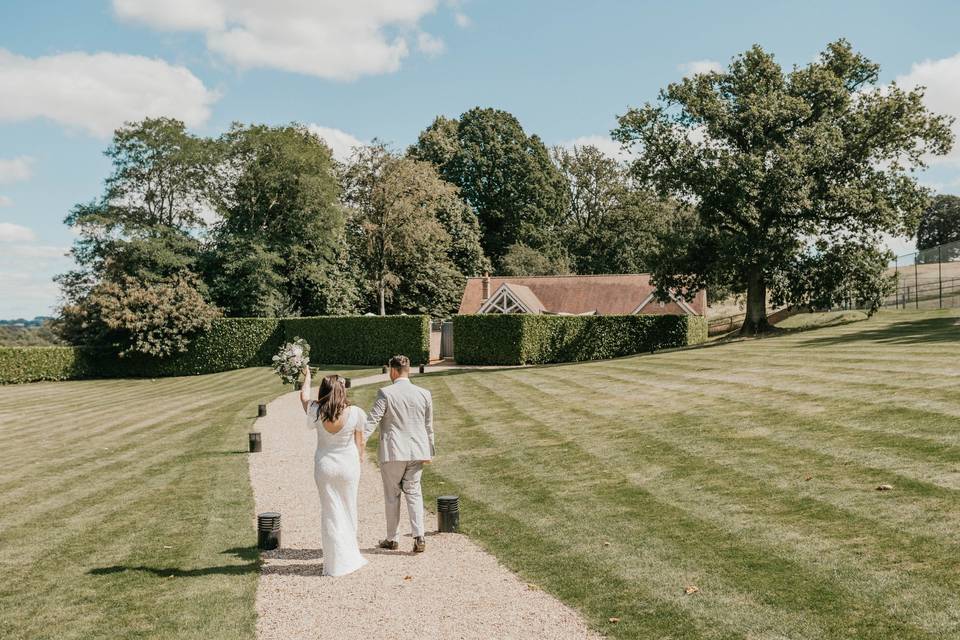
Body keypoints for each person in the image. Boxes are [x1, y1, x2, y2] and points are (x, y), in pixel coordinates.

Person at [300, 368, 368, 577]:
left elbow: (303, 397)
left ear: (323, 391)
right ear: (342, 391)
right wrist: (360, 459)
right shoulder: (356, 412)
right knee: (349, 508)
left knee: (330, 513)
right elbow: (361, 443)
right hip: (348, 466)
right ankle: (350, 555)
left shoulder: (316, 411)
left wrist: (307, 377)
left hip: (324, 466)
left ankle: (334, 563)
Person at [364, 355, 435, 553]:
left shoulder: (385, 393)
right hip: (417, 451)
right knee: (414, 492)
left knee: (392, 495)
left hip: (393, 451)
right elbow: (428, 426)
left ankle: (392, 538)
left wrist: (357, 442)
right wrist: (430, 450)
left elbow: (372, 421)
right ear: (408, 370)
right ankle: (419, 536)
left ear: (393, 371)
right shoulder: (424, 393)